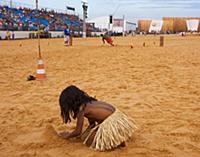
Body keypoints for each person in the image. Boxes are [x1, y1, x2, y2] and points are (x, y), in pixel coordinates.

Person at [58, 85, 137, 151]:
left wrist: (67, 136)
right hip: (119, 118)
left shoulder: (81, 110)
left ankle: (118, 139)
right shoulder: (89, 101)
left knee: (89, 142)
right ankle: (120, 137)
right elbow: (92, 123)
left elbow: (78, 131)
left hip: (113, 123)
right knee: (88, 135)